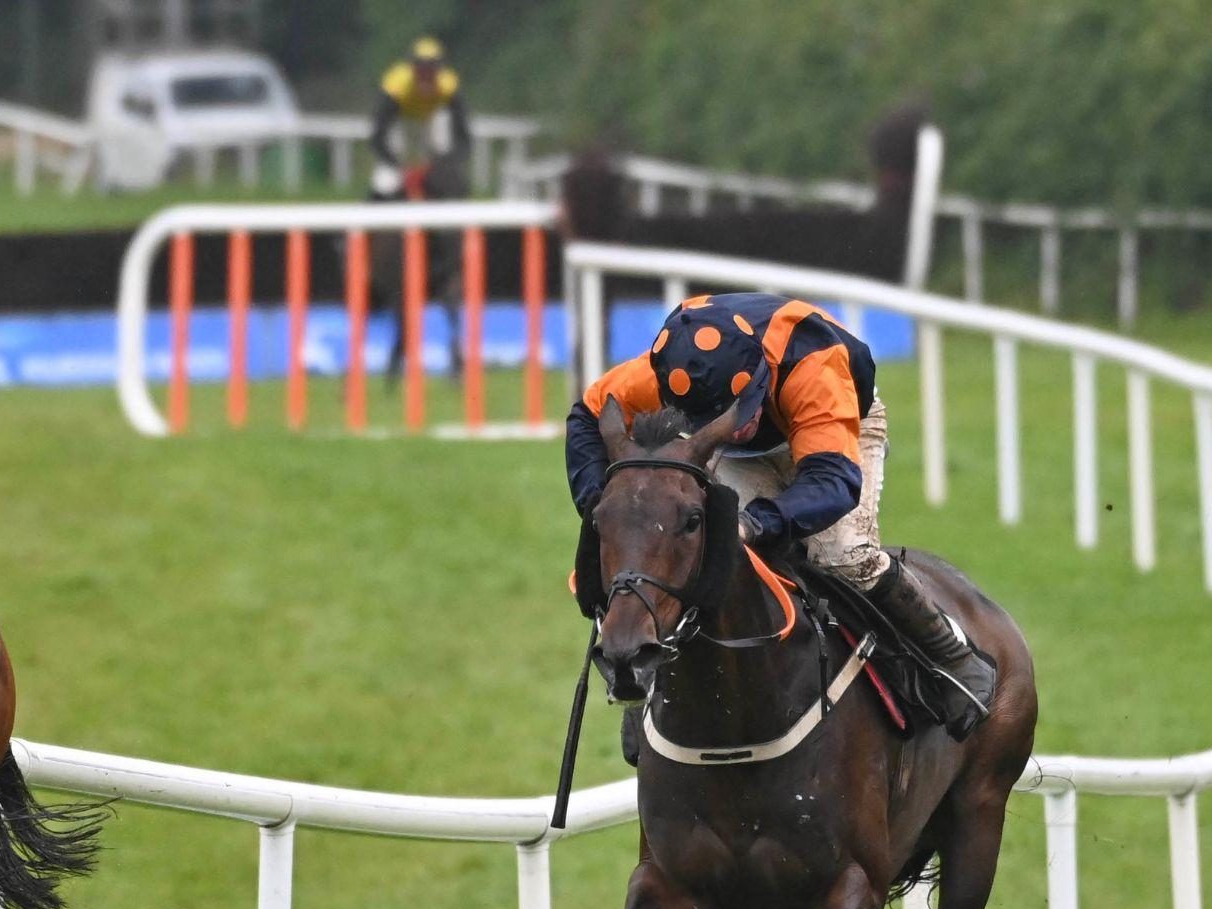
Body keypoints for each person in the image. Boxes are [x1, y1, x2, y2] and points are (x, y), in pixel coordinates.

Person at [565, 293, 998, 756]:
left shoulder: (815, 367)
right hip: (743, 456)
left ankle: (948, 655)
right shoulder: (664, 370)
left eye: (737, 414)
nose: (733, 429)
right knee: (686, 547)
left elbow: (832, 482)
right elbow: (588, 415)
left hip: (836, 427)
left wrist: (755, 523)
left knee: (841, 555)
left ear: (759, 375)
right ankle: (653, 686)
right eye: (712, 421)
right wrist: (603, 505)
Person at [368, 36, 472, 201]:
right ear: (412, 68)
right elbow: (379, 130)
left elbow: (463, 132)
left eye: (431, 70)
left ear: (439, 71)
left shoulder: (448, 84)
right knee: (386, 182)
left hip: (431, 119)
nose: (426, 75)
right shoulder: (396, 84)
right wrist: (393, 163)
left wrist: (448, 163)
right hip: (401, 120)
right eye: (421, 69)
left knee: (450, 179)